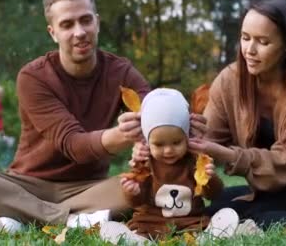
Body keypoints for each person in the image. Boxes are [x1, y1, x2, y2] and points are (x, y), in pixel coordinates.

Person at [0, 0, 151, 233]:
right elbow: (73, 144)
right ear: (53, 33)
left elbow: (155, 114)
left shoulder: (120, 72)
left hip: (89, 189)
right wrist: (121, 136)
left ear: (97, 22)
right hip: (26, 185)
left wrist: (156, 133)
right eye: (67, 24)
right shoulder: (34, 76)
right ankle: (70, 221)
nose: (79, 31)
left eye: (85, 20)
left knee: (159, 177)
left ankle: (24, 217)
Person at [134, 0, 286, 230]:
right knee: (217, 207)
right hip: (264, 187)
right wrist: (151, 143)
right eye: (245, 38)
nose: (249, 50)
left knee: (260, 218)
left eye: (263, 42)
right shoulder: (230, 81)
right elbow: (204, 141)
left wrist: (229, 156)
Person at [100, 88, 241, 244]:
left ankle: (205, 237)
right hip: (150, 223)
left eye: (176, 142)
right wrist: (132, 192)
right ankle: (138, 241)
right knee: (135, 228)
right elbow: (136, 203)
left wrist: (209, 178)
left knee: (219, 217)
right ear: (147, 141)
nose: (168, 150)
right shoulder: (145, 164)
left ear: (187, 136)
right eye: (159, 144)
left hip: (190, 223)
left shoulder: (195, 160)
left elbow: (214, 195)